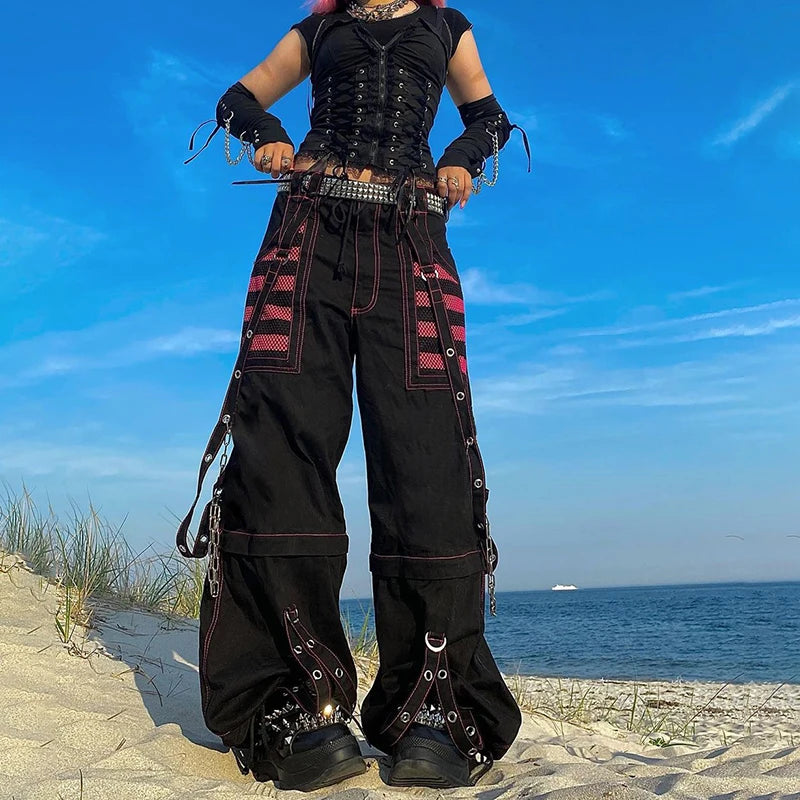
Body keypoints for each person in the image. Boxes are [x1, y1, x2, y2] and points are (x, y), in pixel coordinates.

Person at [176, 0, 531, 791]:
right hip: (306, 237)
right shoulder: (320, 29)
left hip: (413, 244)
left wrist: (462, 158)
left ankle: (431, 705)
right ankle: (295, 699)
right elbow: (238, 97)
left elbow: (489, 117)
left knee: (427, 458)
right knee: (280, 445)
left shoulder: (446, 28)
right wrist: (268, 136)